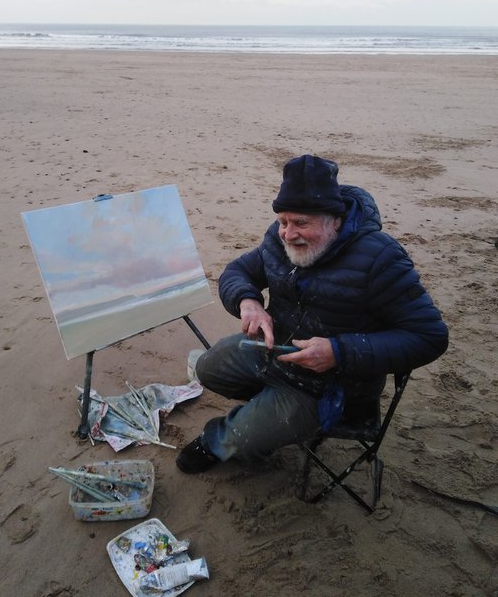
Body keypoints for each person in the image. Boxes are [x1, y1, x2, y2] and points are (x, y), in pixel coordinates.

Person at [176, 154, 449, 474]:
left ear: (335, 220)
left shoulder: (380, 258)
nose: (289, 234)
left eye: (301, 223)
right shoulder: (279, 239)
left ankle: (227, 437)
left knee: (243, 437)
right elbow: (238, 272)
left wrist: (339, 351)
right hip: (273, 352)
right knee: (208, 368)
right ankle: (267, 410)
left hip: (331, 387)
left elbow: (429, 337)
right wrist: (247, 301)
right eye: (283, 221)